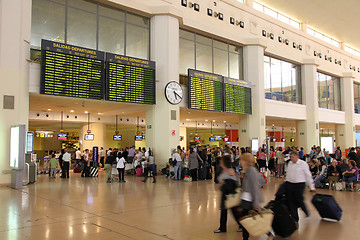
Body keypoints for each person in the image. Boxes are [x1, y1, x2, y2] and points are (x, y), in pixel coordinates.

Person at [213, 155, 242, 234]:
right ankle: (223, 228)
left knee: (233, 212)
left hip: (229, 195)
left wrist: (224, 182)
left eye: (222, 161)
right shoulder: (224, 170)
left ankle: (241, 225)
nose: (220, 162)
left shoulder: (230, 171)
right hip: (226, 194)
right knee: (225, 211)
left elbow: (233, 183)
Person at [285, 151, 315, 223]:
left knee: (299, 200)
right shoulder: (289, 164)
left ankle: (306, 212)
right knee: (291, 201)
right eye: (290, 157)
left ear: (297, 157)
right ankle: (295, 218)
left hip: (300, 185)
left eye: (292, 157)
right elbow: (288, 174)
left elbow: (308, 175)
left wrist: (312, 187)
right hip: (290, 184)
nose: (291, 158)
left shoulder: (303, 164)